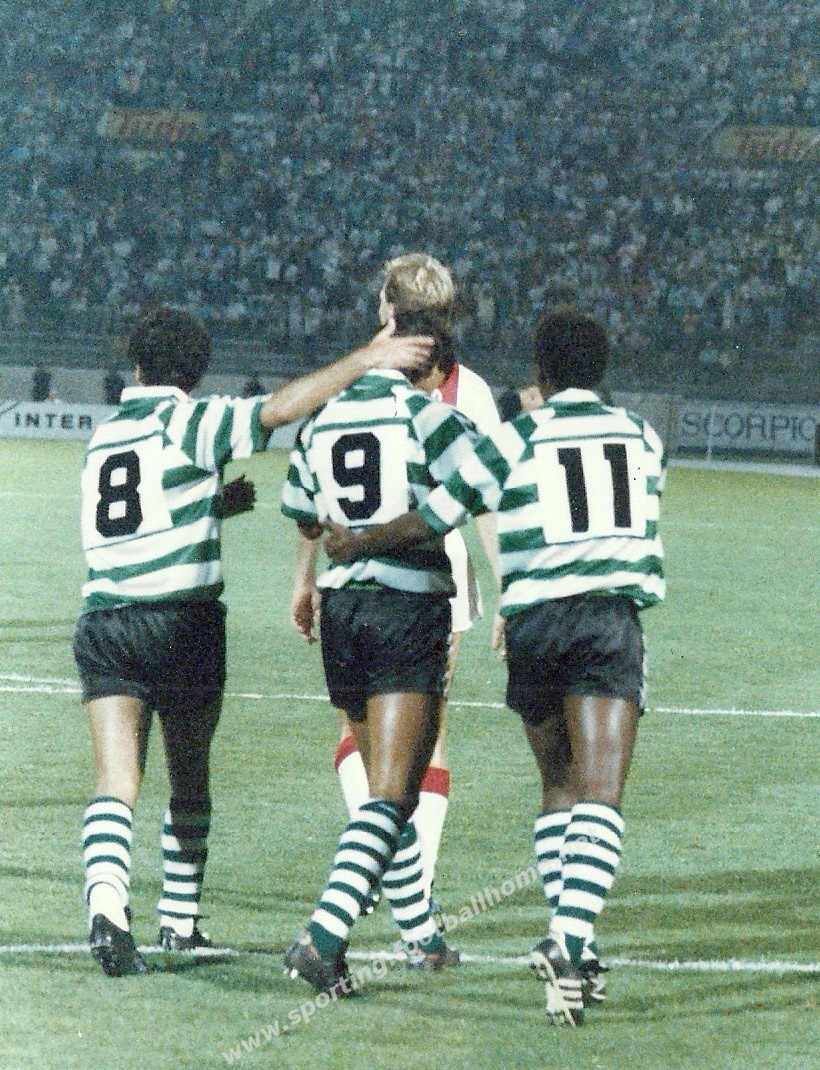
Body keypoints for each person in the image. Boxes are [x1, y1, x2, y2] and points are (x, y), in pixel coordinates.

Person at [323, 308, 666, 1026]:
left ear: (540, 370)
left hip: (536, 623)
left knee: (559, 786)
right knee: (602, 791)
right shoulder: (641, 435)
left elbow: (439, 513)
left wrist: (361, 543)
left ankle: (575, 956)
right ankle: (569, 940)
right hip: (606, 619)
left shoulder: (514, 437)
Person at [73, 304, 433, 978]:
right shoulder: (192, 420)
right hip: (179, 621)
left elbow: (131, 516)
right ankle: (179, 921)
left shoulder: (105, 434)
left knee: (116, 779)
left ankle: (106, 907)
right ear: (196, 372)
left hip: (104, 622)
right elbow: (278, 409)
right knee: (188, 775)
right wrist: (367, 357)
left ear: (138, 367)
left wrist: (208, 507)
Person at [280, 307, 484, 996]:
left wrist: (333, 552)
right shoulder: (429, 417)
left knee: (380, 788)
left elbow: (303, 510)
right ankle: (322, 937)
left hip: (342, 613)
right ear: (435, 368)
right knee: (396, 793)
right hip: (405, 607)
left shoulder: (321, 421)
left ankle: (422, 936)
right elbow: (473, 490)